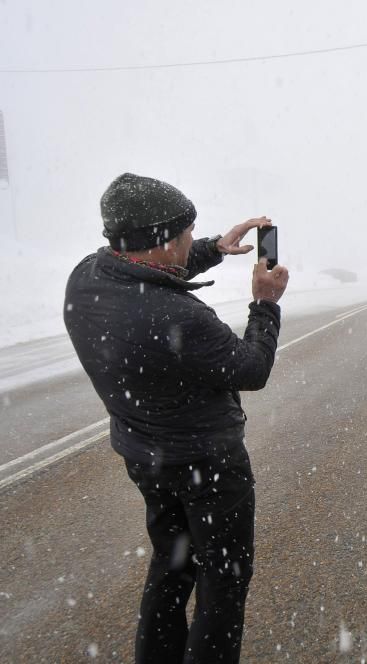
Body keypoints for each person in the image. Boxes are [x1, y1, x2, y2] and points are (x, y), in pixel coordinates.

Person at [63, 172, 290, 664]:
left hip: (146, 458)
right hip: (209, 466)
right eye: (187, 233)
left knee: (171, 565)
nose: (193, 237)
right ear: (162, 242)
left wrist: (214, 248)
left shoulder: (86, 279)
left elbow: (145, 270)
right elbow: (252, 368)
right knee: (223, 581)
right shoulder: (180, 318)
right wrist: (265, 305)